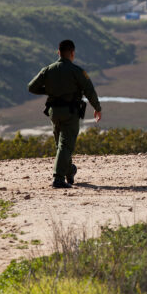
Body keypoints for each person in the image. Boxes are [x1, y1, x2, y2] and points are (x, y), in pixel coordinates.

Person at [28, 39, 102, 188]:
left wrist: (49, 90)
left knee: (61, 144)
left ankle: (69, 170)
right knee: (65, 145)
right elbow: (89, 90)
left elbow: (32, 87)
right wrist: (97, 108)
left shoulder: (48, 70)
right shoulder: (76, 71)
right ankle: (58, 178)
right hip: (70, 112)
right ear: (72, 53)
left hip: (54, 112)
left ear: (58, 52)